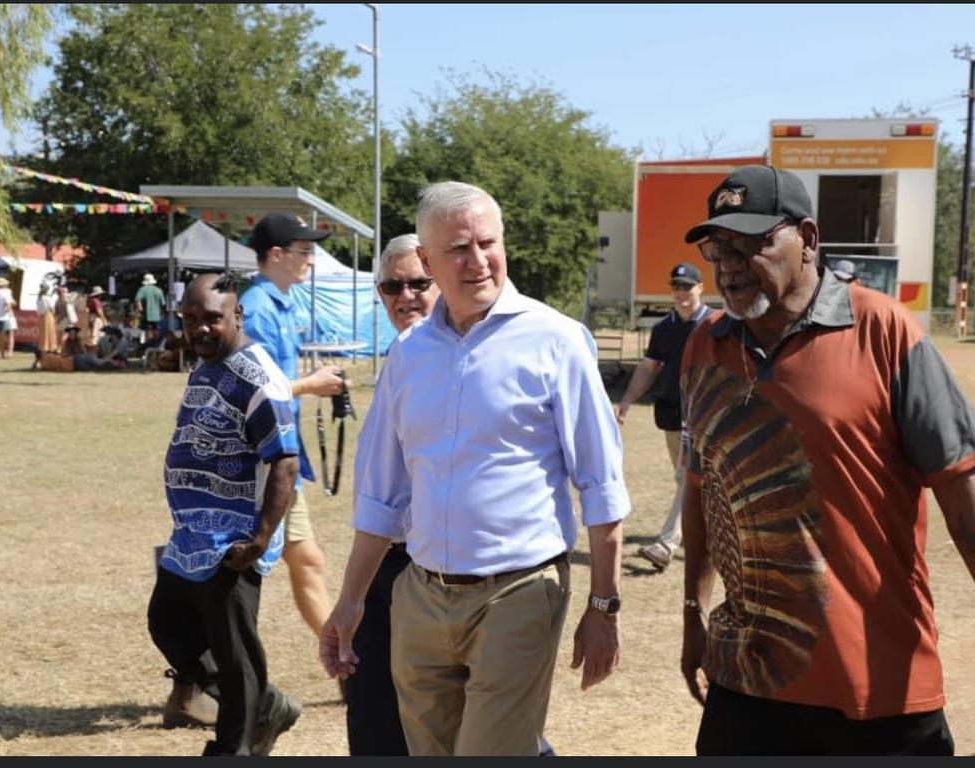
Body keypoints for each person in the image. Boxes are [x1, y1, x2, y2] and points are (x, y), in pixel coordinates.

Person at [321, 182, 630, 756]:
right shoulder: (409, 355)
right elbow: (382, 495)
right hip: (421, 597)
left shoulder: (556, 341)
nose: (478, 260)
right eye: (459, 249)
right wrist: (351, 601)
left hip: (519, 591)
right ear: (430, 263)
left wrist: (603, 606)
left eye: (488, 242)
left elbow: (601, 485)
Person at [678, 164, 975, 755]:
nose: (729, 263)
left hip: (876, 686)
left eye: (751, 242)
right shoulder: (704, 344)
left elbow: (963, 499)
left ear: (808, 239)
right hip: (747, 681)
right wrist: (693, 612)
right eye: (718, 247)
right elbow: (701, 489)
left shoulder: (885, 330)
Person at [146, 273, 303, 756]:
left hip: (232, 540)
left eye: (212, 318)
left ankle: (234, 746)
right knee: (167, 623)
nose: (200, 329)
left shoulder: (258, 377)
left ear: (238, 315)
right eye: (191, 319)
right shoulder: (208, 365)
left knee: (235, 654)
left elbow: (285, 460)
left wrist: (259, 537)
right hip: (192, 534)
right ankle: (265, 703)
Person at [340, 233, 440, 756]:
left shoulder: (454, 355)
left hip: (439, 574)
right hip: (387, 564)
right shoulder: (402, 353)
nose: (406, 297)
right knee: (377, 712)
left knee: (465, 721)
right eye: (391, 286)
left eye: (420, 283)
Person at [240, 213, 347, 640]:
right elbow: (248, 386)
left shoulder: (280, 302)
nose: (313, 260)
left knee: (308, 560)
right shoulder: (257, 308)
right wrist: (311, 384)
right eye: (305, 251)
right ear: (277, 254)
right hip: (256, 465)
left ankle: (343, 663)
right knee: (243, 567)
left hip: (279, 455)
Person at [614, 262, 713, 571]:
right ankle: (713, 536)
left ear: (700, 288)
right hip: (671, 414)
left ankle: (666, 545)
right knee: (691, 481)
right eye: (676, 287)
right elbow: (648, 368)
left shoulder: (716, 325)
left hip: (703, 416)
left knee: (687, 477)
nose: (681, 293)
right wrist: (627, 400)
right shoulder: (664, 329)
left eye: (687, 286)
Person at [135, 273, 166, 346]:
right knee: (156, 331)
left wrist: (140, 308)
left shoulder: (143, 289)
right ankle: (157, 345)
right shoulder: (159, 290)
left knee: (147, 331)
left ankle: (148, 345)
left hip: (146, 315)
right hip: (158, 316)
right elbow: (163, 303)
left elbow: (137, 299)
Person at [36, 280, 58, 356]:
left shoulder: (39, 298)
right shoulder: (46, 298)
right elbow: (51, 308)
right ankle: (49, 347)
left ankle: (43, 348)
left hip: (41, 316)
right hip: (48, 316)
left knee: (43, 333)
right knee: (49, 332)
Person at [87, 286, 109, 353]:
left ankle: (93, 350)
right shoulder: (96, 301)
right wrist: (104, 319)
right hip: (96, 318)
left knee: (93, 333)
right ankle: (95, 351)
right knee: (97, 334)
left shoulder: (90, 301)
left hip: (91, 317)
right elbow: (99, 311)